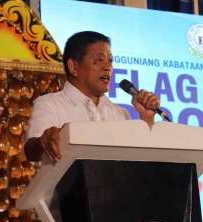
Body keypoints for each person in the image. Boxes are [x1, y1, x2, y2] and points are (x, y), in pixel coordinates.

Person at [24, 31, 160, 162]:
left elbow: (138, 158)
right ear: (73, 67)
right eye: (99, 60)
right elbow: (31, 151)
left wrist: (147, 118)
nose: (108, 67)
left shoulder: (120, 114)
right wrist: (44, 140)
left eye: (110, 61)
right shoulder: (49, 104)